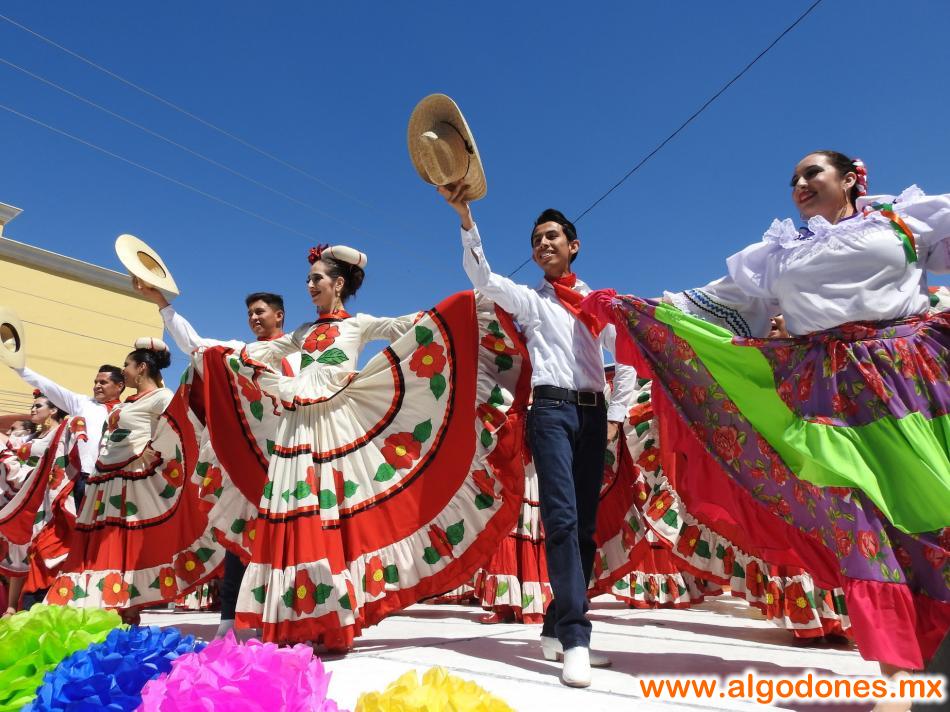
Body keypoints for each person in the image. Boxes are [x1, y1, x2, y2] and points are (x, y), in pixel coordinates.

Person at [583, 151, 949, 689]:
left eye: (813, 174)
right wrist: (628, 308)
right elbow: (708, 301)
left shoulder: (903, 220)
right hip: (827, 401)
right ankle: (899, 680)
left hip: (909, 386)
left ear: (850, 179)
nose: (799, 184)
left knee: (933, 512)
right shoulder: (777, 253)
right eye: (793, 179)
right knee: (860, 524)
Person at [187, 244, 529, 650]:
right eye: (309, 279)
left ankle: (335, 620)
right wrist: (187, 332)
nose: (309, 285)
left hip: (336, 428)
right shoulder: (302, 333)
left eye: (317, 278)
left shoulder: (358, 325)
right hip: (297, 426)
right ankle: (297, 618)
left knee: (335, 518)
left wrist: (470, 305)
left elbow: (414, 326)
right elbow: (247, 353)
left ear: (339, 283)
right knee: (298, 516)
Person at [437, 185, 636, 688]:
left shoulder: (599, 302)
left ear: (574, 245)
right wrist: (466, 219)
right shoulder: (530, 300)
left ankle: (554, 628)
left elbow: (627, 357)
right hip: (549, 412)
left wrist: (616, 413)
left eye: (553, 236)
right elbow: (482, 278)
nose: (544, 243)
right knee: (563, 521)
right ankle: (575, 637)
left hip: (593, 417)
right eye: (536, 239)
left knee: (587, 527)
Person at [133, 278, 299, 637]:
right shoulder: (242, 352)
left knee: (293, 539)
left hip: (292, 458)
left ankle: (289, 617)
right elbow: (196, 345)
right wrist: (163, 303)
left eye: (260, 311)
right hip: (247, 457)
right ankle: (230, 620)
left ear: (279, 315)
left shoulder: (301, 357)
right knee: (240, 536)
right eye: (250, 313)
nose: (253, 318)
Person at [51, 338, 225, 622]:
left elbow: (182, 428)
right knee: (100, 542)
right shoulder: (127, 403)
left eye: (127, 366)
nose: (125, 371)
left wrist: (152, 455)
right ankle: (96, 603)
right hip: (104, 479)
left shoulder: (162, 397)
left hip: (131, 480)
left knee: (127, 541)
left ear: (142, 368)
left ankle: (128, 605)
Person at [0, 391, 84, 615]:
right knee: (22, 553)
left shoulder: (62, 431)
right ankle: (15, 608)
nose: (33, 409)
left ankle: (45, 608)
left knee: (45, 554)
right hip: (30, 502)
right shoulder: (32, 439)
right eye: (33, 406)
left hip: (52, 503)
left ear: (54, 410)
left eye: (38, 406)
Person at [9, 362, 124, 508]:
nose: (97, 386)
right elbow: (49, 386)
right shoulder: (82, 403)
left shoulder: (126, 411)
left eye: (103, 382)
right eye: (95, 382)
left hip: (110, 479)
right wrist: (21, 369)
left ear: (119, 386)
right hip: (79, 476)